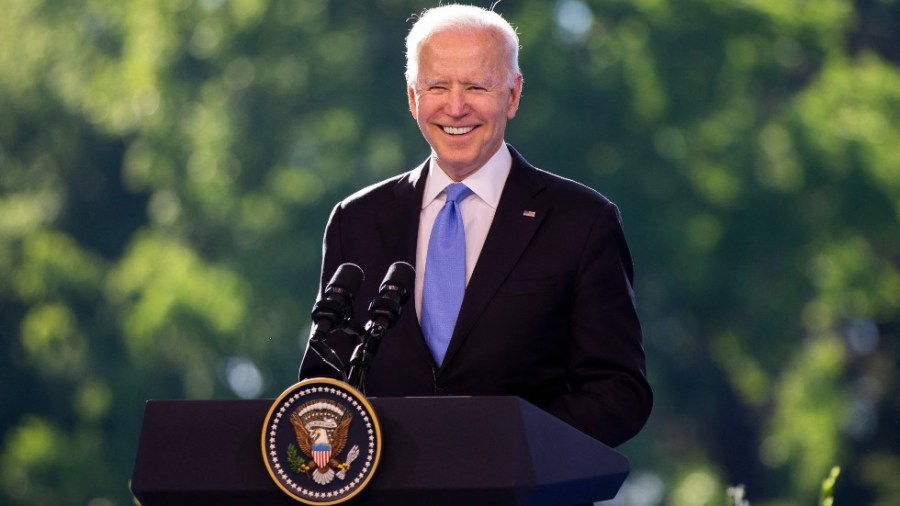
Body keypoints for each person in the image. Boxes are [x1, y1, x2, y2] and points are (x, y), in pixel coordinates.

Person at [298, 3, 652, 447]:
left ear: (513, 94)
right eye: (437, 86)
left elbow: (619, 393)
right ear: (412, 98)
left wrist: (504, 440)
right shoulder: (356, 221)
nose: (456, 106)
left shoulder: (581, 221)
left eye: (477, 86)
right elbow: (322, 386)